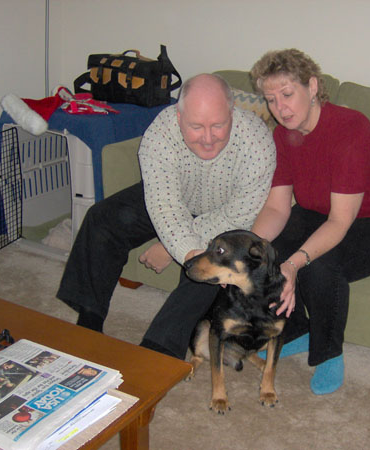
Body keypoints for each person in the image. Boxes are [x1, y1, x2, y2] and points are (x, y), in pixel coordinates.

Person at [56, 73, 276, 360]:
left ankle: (157, 352)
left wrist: (176, 249)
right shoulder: (160, 133)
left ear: (232, 113)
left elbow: (240, 216)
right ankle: (89, 323)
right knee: (102, 219)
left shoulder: (257, 143)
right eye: (196, 127)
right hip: (175, 199)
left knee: (207, 270)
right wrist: (182, 247)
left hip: (225, 218)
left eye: (218, 125)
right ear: (178, 117)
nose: (208, 138)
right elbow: (164, 205)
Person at [250, 49, 370, 395]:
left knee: (317, 264)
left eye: (287, 94)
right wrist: (248, 249)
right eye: (271, 99)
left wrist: (294, 264)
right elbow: (277, 208)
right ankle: (296, 330)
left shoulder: (351, 130)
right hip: (323, 213)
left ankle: (328, 353)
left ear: (312, 86)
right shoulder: (282, 136)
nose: (280, 108)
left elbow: (339, 222)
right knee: (267, 252)